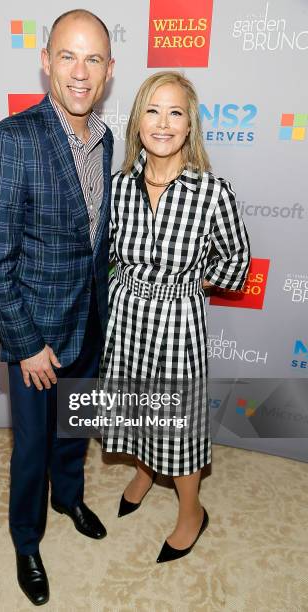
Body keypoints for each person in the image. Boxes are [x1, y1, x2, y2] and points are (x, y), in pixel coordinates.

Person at [0, 9, 114, 606]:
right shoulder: (10, 141)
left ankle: (69, 495)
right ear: (45, 60)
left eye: (93, 60)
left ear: (109, 70)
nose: (80, 73)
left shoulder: (108, 142)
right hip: (36, 334)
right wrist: (26, 342)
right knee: (30, 446)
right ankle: (26, 539)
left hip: (89, 323)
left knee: (73, 430)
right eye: (67, 56)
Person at [100, 71, 251, 564]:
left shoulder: (212, 192)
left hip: (177, 325)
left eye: (175, 112)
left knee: (178, 426)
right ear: (138, 120)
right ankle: (146, 471)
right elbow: (108, 251)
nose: (162, 123)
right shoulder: (119, 185)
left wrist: (190, 285)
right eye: (152, 110)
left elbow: (236, 261)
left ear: (190, 126)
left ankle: (192, 511)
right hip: (126, 316)